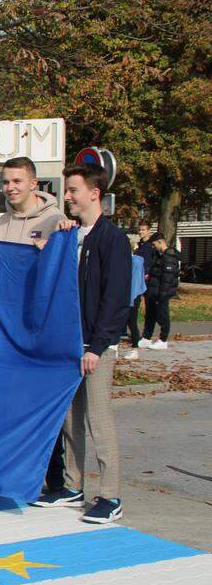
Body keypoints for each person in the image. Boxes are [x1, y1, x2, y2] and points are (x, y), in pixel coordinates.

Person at [33, 164, 130, 524]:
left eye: (73, 190)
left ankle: (111, 495)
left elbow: (116, 299)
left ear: (95, 193)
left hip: (96, 347)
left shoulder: (112, 238)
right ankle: (73, 487)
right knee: (70, 420)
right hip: (70, 344)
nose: (68, 197)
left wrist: (97, 346)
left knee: (98, 420)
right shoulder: (73, 235)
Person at [0, 157, 66, 247]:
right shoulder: (0, 223)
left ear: (33, 184)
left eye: (17, 181)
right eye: (5, 182)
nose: (10, 188)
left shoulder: (55, 219)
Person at [142, 232, 181, 350]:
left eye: (154, 244)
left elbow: (167, 278)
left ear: (160, 242)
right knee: (150, 315)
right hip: (152, 291)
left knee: (162, 316)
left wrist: (162, 294)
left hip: (161, 292)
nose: (153, 247)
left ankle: (163, 340)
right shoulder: (159, 256)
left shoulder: (169, 257)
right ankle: (146, 337)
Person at [125, 222, 155, 356]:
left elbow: (142, 270)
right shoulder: (140, 248)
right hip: (130, 292)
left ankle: (137, 344)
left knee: (133, 318)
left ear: (149, 231)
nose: (141, 232)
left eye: (143, 230)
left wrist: (146, 273)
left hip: (135, 291)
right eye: (140, 230)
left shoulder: (146, 250)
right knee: (127, 319)